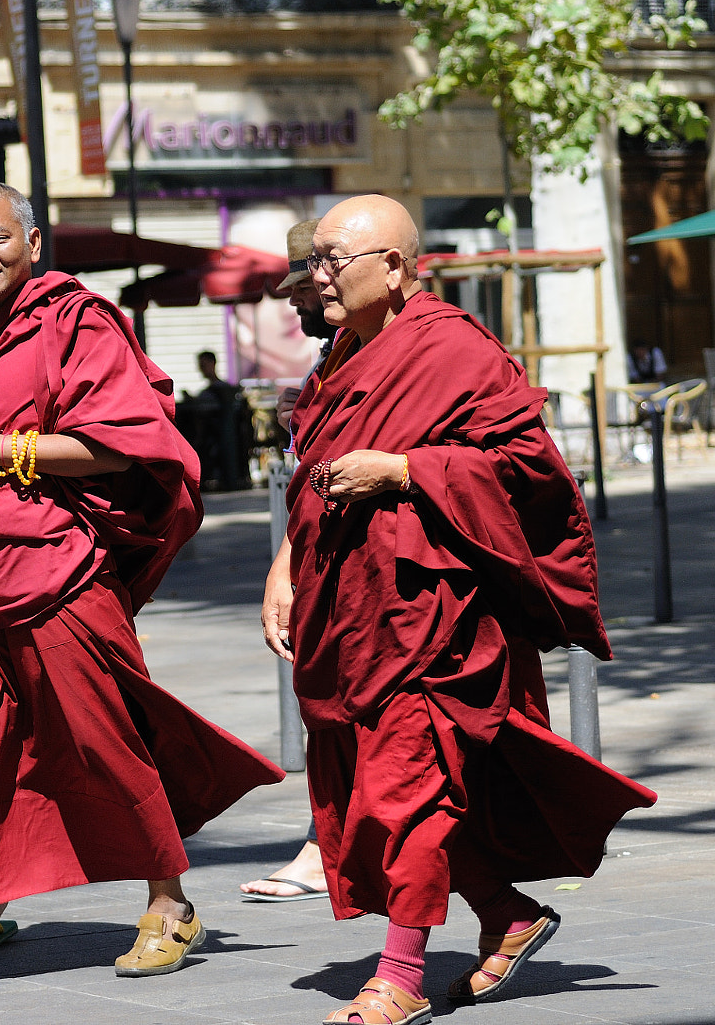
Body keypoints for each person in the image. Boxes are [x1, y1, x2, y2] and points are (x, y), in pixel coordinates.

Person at [0, 182, 284, 999]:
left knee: (105, 744)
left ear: (33, 244)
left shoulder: (78, 318)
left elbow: (122, 446)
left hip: (59, 577)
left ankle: (170, 901)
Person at [265, 195, 657, 1024]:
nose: (319, 275)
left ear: (398, 266)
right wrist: (286, 564)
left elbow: (529, 471)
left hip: (434, 611)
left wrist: (407, 471)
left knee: (407, 787)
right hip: (352, 607)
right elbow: (313, 474)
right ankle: (508, 918)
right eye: (316, 260)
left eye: (336, 259)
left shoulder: (454, 347)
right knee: (391, 787)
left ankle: (399, 976)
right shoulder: (342, 354)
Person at [242, 218, 331, 905]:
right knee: (326, 713)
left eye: (304, 287)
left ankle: (324, 845)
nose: (297, 303)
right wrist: (283, 570)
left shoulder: (397, 356)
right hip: (323, 565)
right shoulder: (324, 371)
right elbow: (306, 489)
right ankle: (324, 841)